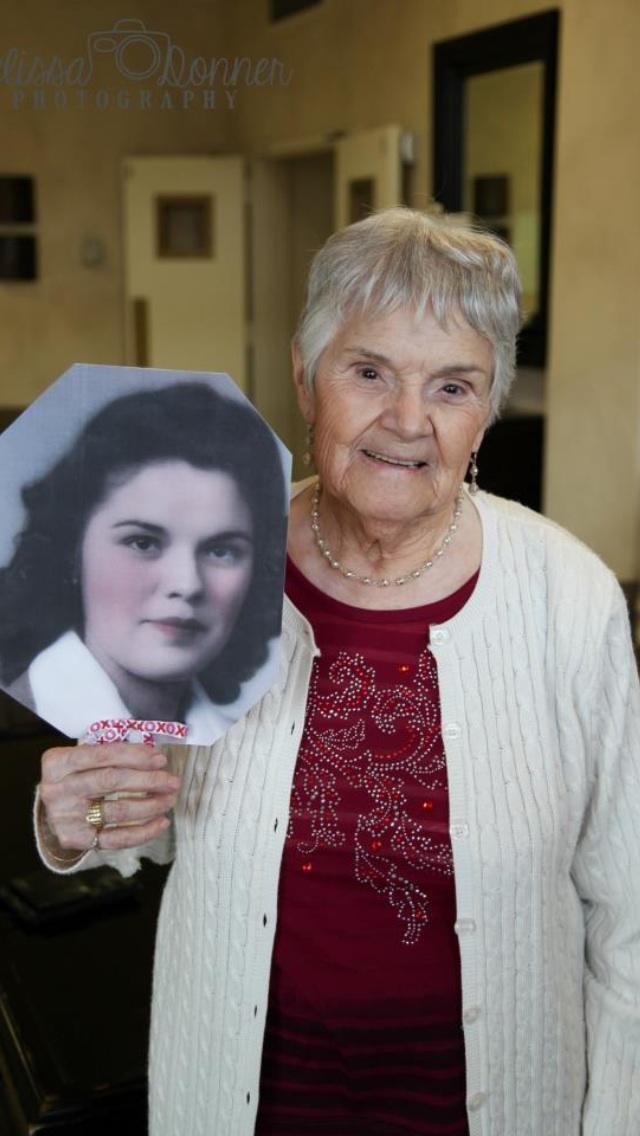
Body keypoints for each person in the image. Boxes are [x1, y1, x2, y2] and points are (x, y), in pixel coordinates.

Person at [36, 209, 640, 1135]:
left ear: (485, 413)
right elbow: (137, 825)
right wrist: (77, 818)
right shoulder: (204, 563)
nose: (408, 421)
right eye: (369, 372)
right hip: (251, 1100)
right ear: (305, 378)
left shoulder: (569, 598)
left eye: (452, 386)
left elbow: (628, 918)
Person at [0, 382, 287, 745]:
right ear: (72, 551)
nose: (186, 584)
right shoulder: (17, 730)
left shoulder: (253, 743)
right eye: (143, 543)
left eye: (221, 551)